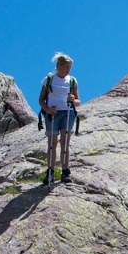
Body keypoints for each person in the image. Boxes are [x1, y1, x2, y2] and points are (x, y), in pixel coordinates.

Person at [38, 52, 81, 185]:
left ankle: (65, 171)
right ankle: (50, 171)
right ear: (59, 66)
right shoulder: (49, 80)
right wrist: (47, 109)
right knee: (52, 143)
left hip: (68, 112)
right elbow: (41, 100)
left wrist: (73, 100)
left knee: (65, 143)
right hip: (53, 114)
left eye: (70, 67)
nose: (68, 69)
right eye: (66, 67)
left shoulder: (72, 81)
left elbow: (79, 101)